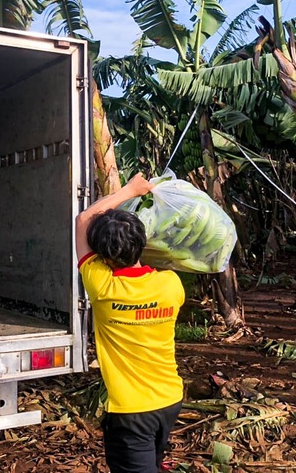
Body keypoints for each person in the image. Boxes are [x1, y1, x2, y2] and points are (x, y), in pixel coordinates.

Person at [75, 173, 185, 473]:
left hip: (131, 411)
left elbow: (84, 218)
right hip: (169, 400)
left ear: (103, 256)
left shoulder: (102, 287)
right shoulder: (171, 286)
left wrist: (129, 190)